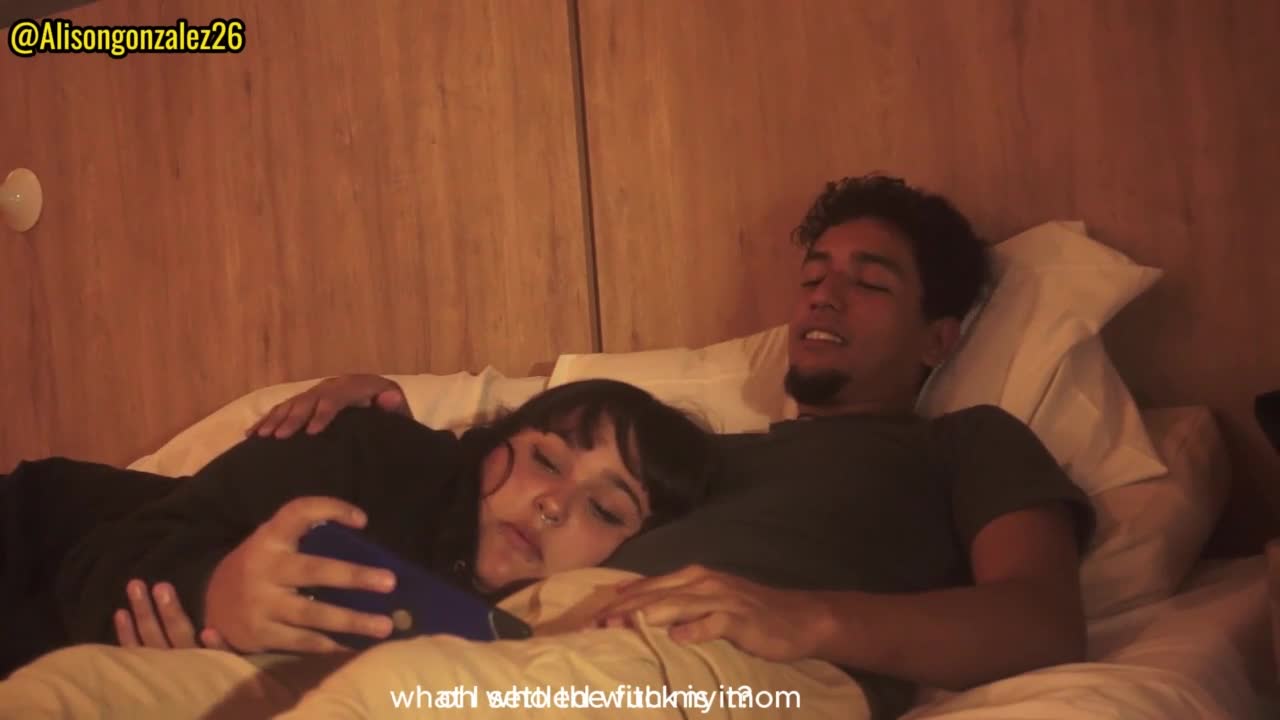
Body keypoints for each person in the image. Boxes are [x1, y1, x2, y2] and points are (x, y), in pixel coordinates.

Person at [118, 173, 1095, 719]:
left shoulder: (964, 444)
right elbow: (526, 447)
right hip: (528, 639)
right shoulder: (698, 456)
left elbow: (1042, 621)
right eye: (813, 276)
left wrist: (807, 619)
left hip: (728, 664)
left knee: (379, 700)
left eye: (868, 282)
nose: (824, 297)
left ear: (938, 338)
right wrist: (384, 402)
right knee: (113, 692)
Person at [0, 379, 717, 677]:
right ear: (494, 444)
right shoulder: (371, 451)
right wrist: (214, 590)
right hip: (33, 539)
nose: (553, 503)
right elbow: (110, 550)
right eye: (545, 460)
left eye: (604, 509)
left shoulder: (551, 636)